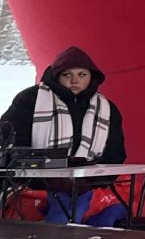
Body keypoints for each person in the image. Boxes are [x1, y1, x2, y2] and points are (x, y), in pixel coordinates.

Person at [0, 46, 128, 226]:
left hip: (88, 184)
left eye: (82, 75)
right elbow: (9, 142)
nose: (75, 80)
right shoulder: (29, 100)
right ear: (57, 76)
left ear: (92, 76)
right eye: (67, 75)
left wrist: (87, 180)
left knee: (107, 210)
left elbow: (115, 154)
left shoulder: (107, 109)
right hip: (34, 183)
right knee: (69, 204)